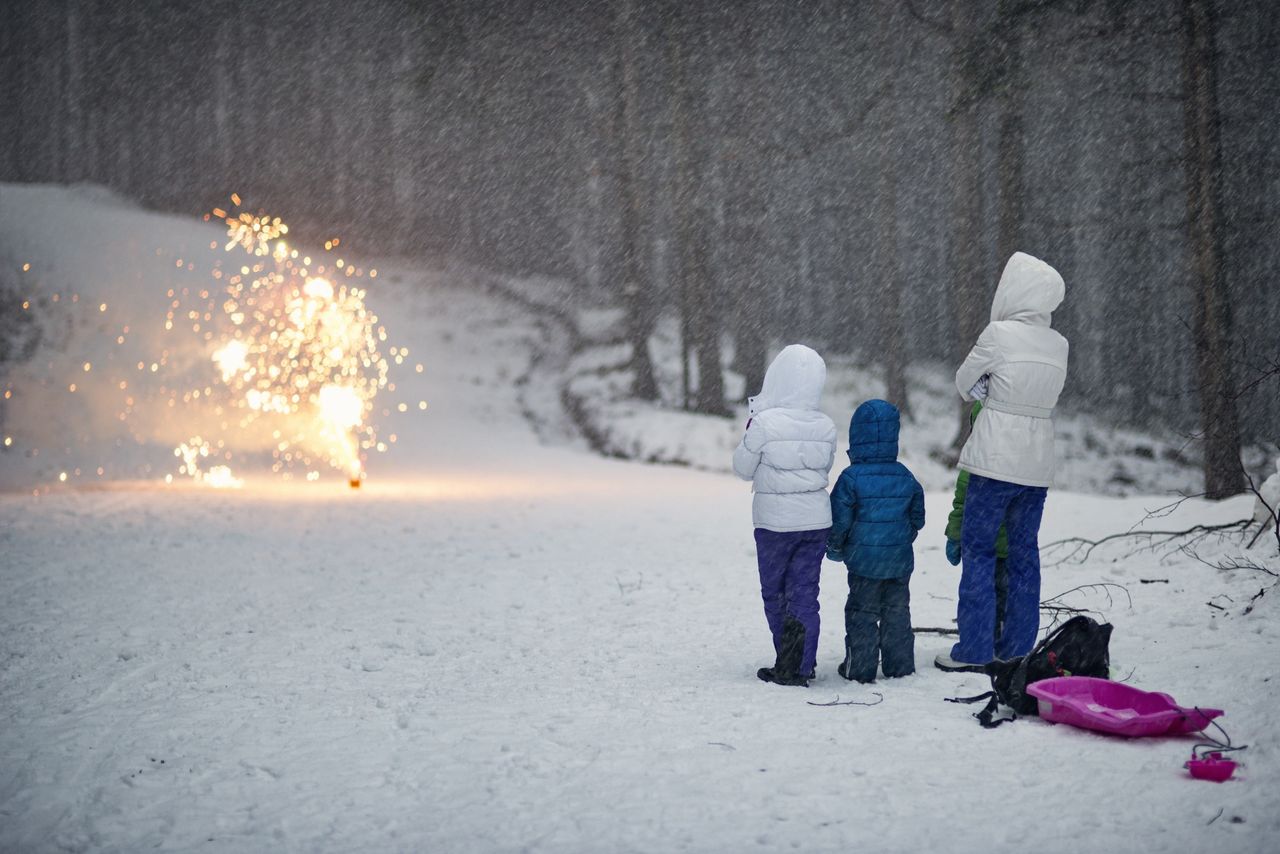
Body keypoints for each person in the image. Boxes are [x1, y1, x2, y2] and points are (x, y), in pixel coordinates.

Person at [936, 251, 1069, 672]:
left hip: (994, 462)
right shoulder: (1059, 344)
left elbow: (963, 382)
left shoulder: (998, 334)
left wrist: (987, 393)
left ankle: (974, 649)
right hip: (1037, 465)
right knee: (1024, 555)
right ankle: (1016, 649)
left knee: (978, 550)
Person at [733, 344, 837, 687]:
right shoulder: (826, 425)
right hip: (815, 523)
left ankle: (787, 661)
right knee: (805, 593)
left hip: (775, 525)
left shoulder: (764, 423)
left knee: (775, 593)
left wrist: (752, 428)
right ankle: (802, 664)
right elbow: (821, 467)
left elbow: (742, 468)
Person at [825, 399, 925, 683]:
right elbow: (918, 516)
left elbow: (839, 520)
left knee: (862, 612)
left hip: (863, 563)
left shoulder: (851, 478)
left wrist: (834, 547)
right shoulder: (904, 475)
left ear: (856, 438)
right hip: (898, 561)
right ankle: (900, 665)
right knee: (897, 611)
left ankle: (860, 668)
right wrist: (905, 535)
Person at [945, 401, 1009, 646]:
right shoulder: (1019, 467)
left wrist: (954, 536)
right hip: (1009, 548)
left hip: (980, 544)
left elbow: (961, 504)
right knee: (1005, 596)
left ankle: (980, 639)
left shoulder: (972, 466)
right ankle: (1002, 641)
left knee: (979, 593)